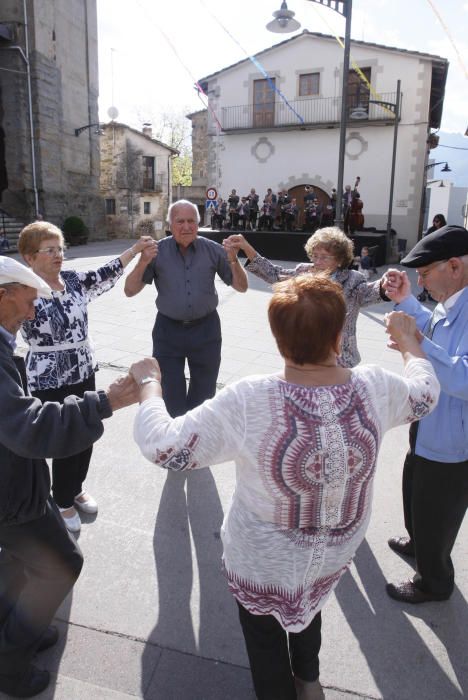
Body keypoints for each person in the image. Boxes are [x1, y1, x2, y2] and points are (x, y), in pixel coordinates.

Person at [129, 275, 439, 700]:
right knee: (309, 611)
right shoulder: (375, 386)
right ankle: (309, 683)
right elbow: (425, 394)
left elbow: (165, 448)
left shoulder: (250, 399)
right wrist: (407, 343)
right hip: (335, 551)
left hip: (261, 563)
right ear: (338, 334)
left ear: (278, 338)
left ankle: (285, 689)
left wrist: (150, 386)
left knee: (265, 639)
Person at [0, 255, 137, 698]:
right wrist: (105, 402)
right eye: (28, 299)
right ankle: (8, 665)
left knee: (21, 562)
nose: (34, 310)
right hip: (10, 494)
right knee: (61, 565)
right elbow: (28, 426)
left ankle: (18, 626)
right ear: (2, 296)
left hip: (18, 483)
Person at [18, 221, 156, 533]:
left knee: (87, 430)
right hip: (48, 376)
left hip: (82, 368)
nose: (58, 256)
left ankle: (75, 486)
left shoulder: (72, 280)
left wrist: (135, 250)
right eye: (49, 250)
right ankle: (62, 498)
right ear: (29, 256)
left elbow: (107, 272)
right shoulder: (23, 289)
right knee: (65, 437)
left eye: (60, 249)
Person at [382, 224, 468, 603]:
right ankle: (419, 543)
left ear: (454, 266)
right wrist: (405, 302)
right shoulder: (453, 303)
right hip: (430, 427)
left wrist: (414, 342)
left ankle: (433, 582)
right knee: (415, 493)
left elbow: (463, 378)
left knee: (436, 512)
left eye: (424, 273)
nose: (421, 281)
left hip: (453, 444)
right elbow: (432, 329)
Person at [124, 199, 248, 418]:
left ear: (198, 225)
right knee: (171, 395)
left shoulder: (214, 250)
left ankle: (197, 443)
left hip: (206, 330)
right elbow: (130, 291)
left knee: (205, 394)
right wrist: (142, 262)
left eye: (191, 221)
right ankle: (175, 444)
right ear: (170, 224)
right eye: (180, 221)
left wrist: (233, 261)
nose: (186, 226)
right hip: (168, 332)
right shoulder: (156, 251)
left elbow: (241, 287)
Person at [224, 226, 393, 368]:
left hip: (340, 360)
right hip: (305, 356)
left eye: (324, 257)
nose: (317, 262)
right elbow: (274, 274)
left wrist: (387, 284)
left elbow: (371, 293)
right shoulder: (303, 271)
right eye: (315, 255)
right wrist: (247, 248)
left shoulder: (352, 280)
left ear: (340, 260)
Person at [418, 214, 446, 301]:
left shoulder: (445, 230)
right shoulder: (431, 230)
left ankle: (433, 294)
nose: (435, 223)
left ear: (441, 221)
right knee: (428, 275)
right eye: (434, 221)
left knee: (438, 276)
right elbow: (425, 241)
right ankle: (426, 292)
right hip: (430, 256)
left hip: (440, 257)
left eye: (437, 221)